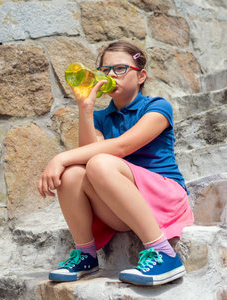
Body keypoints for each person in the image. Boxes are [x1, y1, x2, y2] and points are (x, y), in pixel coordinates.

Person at [37, 40, 194, 286]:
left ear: (141, 76)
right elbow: (87, 156)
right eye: (105, 70)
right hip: (121, 205)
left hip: (163, 198)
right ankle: (86, 254)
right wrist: (85, 108)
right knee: (72, 174)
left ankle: (164, 253)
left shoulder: (157, 107)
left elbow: (121, 148)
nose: (111, 75)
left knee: (99, 163)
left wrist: (59, 157)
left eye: (120, 69)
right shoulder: (100, 117)